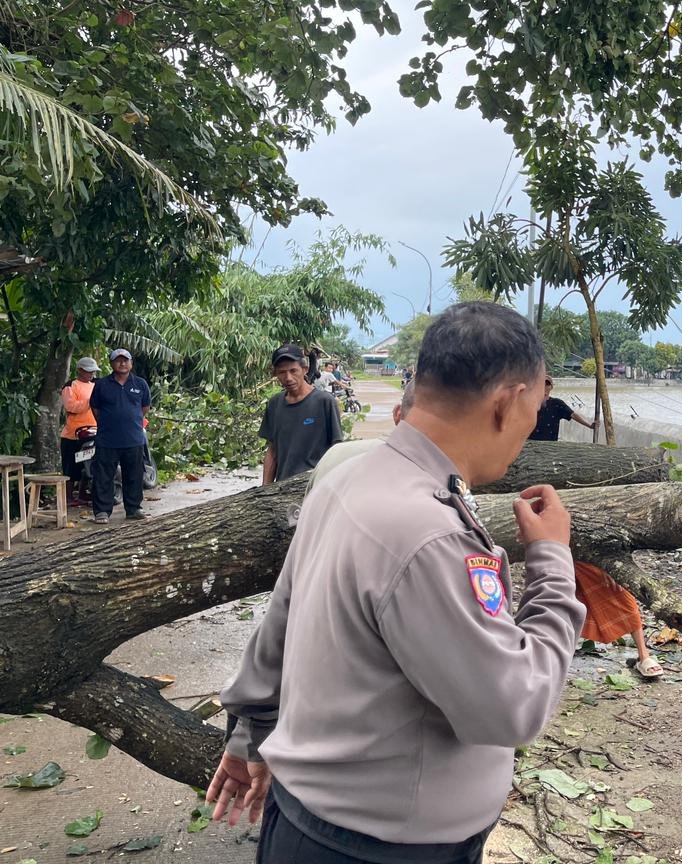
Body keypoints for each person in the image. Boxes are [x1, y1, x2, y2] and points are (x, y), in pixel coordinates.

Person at [208, 302, 586, 864]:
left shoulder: (345, 477)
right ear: (507, 403)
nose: (532, 424)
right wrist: (552, 562)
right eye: (535, 406)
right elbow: (514, 707)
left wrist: (251, 733)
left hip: (307, 820)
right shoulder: (429, 534)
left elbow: (281, 620)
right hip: (381, 848)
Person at [259, 344, 343, 484]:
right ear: (276, 374)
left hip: (316, 485)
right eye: (282, 372)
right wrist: (265, 489)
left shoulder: (325, 402)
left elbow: (337, 449)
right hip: (283, 487)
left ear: (305, 369)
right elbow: (273, 451)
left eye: (293, 371)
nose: (288, 377)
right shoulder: (275, 404)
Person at [88, 349, 151, 524]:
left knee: (134, 475)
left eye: (125, 360)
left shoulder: (140, 384)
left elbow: (145, 408)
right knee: (103, 477)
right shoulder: (102, 385)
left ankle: (133, 509)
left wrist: (130, 420)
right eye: (118, 360)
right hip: (107, 440)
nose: (122, 363)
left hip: (133, 439)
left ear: (131, 363)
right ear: (111, 364)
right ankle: (102, 512)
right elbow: (95, 409)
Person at [61, 356, 99, 505]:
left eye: (93, 371)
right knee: (71, 467)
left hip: (92, 432)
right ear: (79, 370)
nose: (91, 374)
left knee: (87, 465)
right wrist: (90, 401)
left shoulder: (95, 385)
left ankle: (83, 493)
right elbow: (71, 406)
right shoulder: (70, 386)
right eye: (89, 371)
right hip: (73, 435)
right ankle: (69, 497)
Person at [529, 377, 596, 441]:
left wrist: (589, 426)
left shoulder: (557, 403)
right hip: (531, 442)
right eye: (542, 383)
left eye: (547, 384)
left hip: (550, 443)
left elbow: (573, 415)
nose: (544, 386)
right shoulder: (530, 402)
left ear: (551, 387)